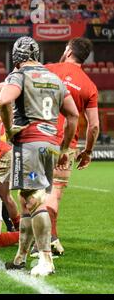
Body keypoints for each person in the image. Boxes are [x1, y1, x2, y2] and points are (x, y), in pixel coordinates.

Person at [0, 36, 79, 276]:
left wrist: (9, 127)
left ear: (16, 56)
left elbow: (3, 100)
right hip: (51, 145)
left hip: (29, 144)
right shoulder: (54, 78)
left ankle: (45, 259)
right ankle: (21, 257)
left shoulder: (19, 75)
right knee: (26, 201)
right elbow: (73, 115)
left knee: (34, 200)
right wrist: (64, 148)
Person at [38, 38, 99, 256]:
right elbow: (94, 127)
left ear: (69, 50)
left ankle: (44, 241)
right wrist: (88, 152)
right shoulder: (89, 85)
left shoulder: (48, 69)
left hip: (39, 140)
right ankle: (50, 239)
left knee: (34, 194)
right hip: (66, 146)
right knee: (54, 194)